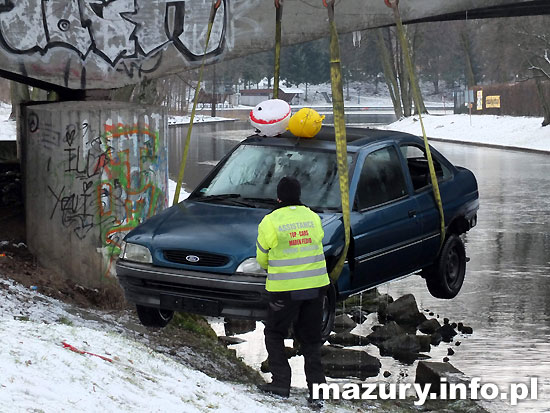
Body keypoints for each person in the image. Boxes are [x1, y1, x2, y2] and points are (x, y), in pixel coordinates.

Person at [255, 176, 329, 404]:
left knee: (274, 333)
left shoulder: (270, 221)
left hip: (284, 290)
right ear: (298, 195)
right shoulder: (313, 217)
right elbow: (318, 241)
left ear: (278, 197)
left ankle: (280, 383)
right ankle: (317, 391)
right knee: (311, 339)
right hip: (315, 288)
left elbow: (262, 259)